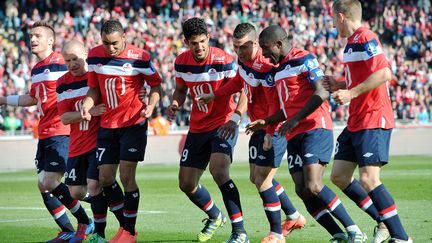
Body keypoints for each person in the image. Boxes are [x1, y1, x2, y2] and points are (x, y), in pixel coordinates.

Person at [246, 25, 366, 243]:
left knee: (313, 184)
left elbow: (322, 91)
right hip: (294, 131)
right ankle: (337, 234)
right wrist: (269, 121)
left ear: (279, 44)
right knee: (302, 189)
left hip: (314, 127)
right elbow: (288, 106)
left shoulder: (303, 59)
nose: (263, 53)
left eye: (265, 48)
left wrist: (295, 119)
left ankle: (355, 230)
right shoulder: (279, 69)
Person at [197, 23, 306, 243]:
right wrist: (216, 95)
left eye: (243, 48)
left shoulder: (268, 66)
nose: (238, 52)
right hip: (257, 125)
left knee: (263, 180)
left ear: (256, 44)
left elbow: (277, 100)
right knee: (255, 177)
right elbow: (239, 81)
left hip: (271, 126)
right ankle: (293, 216)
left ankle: (276, 234)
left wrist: (270, 130)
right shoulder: (244, 61)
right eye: (235, 47)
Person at [0, 20, 95, 243]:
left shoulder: (63, 63)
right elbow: (33, 98)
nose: (32, 39)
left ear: (50, 41)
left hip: (62, 129)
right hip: (44, 132)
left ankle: (86, 220)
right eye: (31, 36)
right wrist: (6, 100)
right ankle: (66, 229)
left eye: (37, 36)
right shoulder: (37, 69)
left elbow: (86, 77)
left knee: (51, 181)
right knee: (43, 185)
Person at [325, 1, 412, 243]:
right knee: (340, 176)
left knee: (369, 179)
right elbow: (361, 77)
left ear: (341, 16)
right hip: (357, 119)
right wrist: (341, 84)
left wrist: (350, 93)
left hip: (373, 116)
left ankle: (402, 237)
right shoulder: (351, 44)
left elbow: (384, 73)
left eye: (333, 19)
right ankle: (383, 221)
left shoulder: (366, 37)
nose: (332, 24)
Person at [168, 17, 249, 243]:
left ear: (209, 38)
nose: (200, 47)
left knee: (219, 171)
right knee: (186, 183)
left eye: (203, 41)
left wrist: (235, 118)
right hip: (197, 127)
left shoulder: (223, 60)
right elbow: (180, 90)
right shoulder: (181, 63)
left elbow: (244, 90)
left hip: (223, 124)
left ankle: (240, 231)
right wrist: (175, 103)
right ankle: (215, 216)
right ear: (186, 42)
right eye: (194, 43)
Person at [81, 19, 162, 243]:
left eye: (115, 43)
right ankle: (126, 227)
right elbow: (94, 88)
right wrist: (87, 106)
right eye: (106, 43)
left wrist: (152, 105)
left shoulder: (140, 57)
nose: (111, 48)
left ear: (124, 37)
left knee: (127, 176)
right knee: (105, 178)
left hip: (133, 124)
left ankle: (129, 231)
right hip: (107, 126)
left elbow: (156, 85)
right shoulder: (95, 56)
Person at [56, 40, 121, 243]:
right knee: (76, 191)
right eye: (67, 61)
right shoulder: (62, 83)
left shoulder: (97, 76)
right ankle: (117, 207)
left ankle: (104, 232)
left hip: (98, 142)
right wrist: (86, 112)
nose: (72, 64)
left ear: (86, 53)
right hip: (76, 145)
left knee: (94, 186)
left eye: (75, 59)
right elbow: (65, 117)